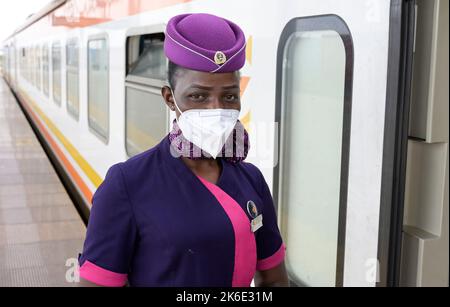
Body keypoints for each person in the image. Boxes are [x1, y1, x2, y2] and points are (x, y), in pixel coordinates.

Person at [78, 13, 288, 287]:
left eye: (229, 96)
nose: (217, 109)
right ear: (169, 98)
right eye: (198, 96)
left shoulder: (252, 180)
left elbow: (273, 279)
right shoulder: (126, 185)